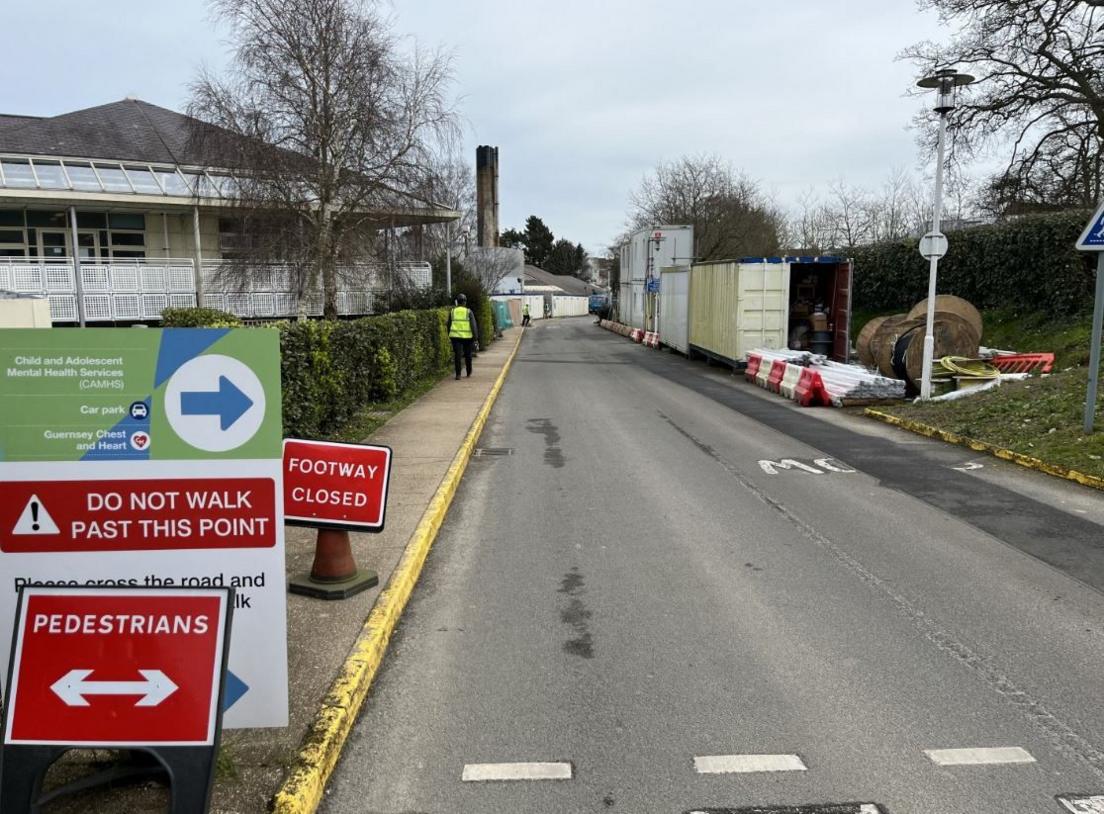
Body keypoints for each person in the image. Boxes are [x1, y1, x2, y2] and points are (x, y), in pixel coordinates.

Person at [447, 293, 479, 380]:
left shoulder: (452, 311)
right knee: (468, 355)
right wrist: (475, 338)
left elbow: (448, 324)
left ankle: (458, 375)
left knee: (457, 355)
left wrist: (449, 335)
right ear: (465, 302)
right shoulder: (468, 312)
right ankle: (468, 372)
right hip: (467, 337)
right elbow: (473, 325)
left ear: (457, 302)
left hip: (455, 337)